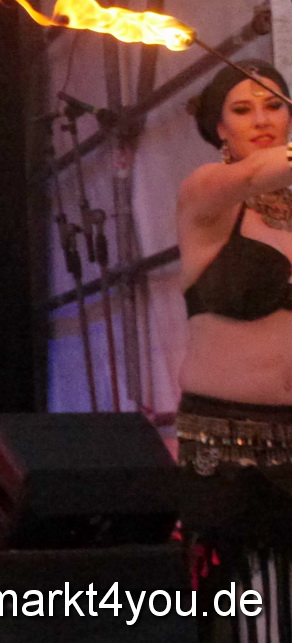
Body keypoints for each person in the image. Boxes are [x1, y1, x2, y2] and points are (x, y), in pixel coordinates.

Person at [178, 60, 292, 640]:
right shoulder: (207, 192)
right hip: (226, 446)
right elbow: (254, 176)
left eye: (274, 105)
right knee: (243, 612)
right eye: (243, 110)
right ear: (220, 128)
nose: (262, 120)